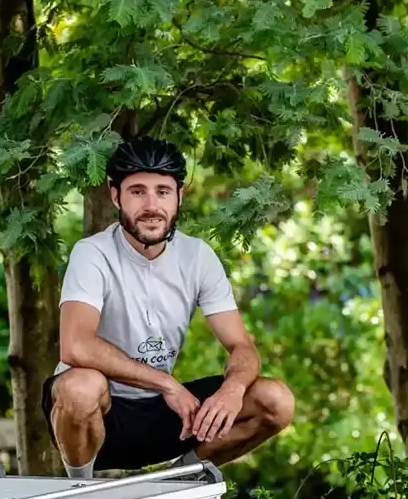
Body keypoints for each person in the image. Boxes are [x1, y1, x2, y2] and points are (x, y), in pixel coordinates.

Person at [45, 136, 295, 477]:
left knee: (275, 400)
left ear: (179, 196)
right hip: (101, 416)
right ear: (115, 195)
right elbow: (75, 346)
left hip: (166, 415)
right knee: (80, 387)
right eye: (137, 191)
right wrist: (168, 385)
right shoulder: (92, 253)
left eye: (162, 191)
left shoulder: (197, 256)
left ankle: (178, 481)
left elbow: (242, 346)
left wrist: (232, 391)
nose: (151, 205)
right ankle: (80, 491)